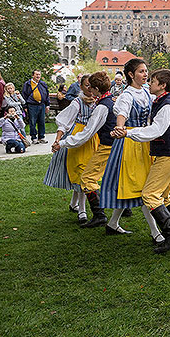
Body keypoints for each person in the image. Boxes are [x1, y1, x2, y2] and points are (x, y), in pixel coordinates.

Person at [113, 69, 170, 253]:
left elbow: (156, 130)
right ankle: (169, 231)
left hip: (169, 153)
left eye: (153, 81)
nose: (149, 83)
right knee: (162, 195)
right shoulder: (162, 100)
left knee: (149, 194)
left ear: (162, 86)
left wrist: (128, 132)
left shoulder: (167, 104)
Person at [101, 58, 161, 238]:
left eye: (146, 71)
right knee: (142, 187)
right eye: (142, 71)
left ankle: (112, 223)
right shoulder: (127, 95)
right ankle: (155, 232)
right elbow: (122, 114)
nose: (145, 74)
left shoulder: (145, 92)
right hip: (129, 143)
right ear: (130, 74)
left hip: (143, 140)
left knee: (132, 186)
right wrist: (120, 128)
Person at [57, 72, 116, 230]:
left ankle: (99, 215)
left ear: (97, 89)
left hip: (107, 146)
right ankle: (112, 212)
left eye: (92, 87)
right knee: (109, 177)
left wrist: (63, 143)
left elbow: (87, 133)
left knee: (88, 179)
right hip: (113, 144)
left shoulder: (102, 106)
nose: (90, 90)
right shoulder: (110, 101)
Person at [44, 74, 97, 224]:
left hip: (92, 139)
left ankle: (74, 204)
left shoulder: (97, 101)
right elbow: (64, 122)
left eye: (92, 86)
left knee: (86, 173)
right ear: (80, 87)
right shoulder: (77, 103)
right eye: (87, 85)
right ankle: (82, 209)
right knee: (81, 173)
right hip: (78, 139)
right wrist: (57, 140)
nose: (90, 89)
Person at [22, 70, 50, 144]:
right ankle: (34, 137)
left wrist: (47, 105)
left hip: (42, 104)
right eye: (36, 74)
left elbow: (47, 94)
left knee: (41, 121)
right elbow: (24, 95)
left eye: (39, 74)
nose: (38, 76)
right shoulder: (28, 84)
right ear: (33, 75)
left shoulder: (43, 84)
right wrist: (25, 106)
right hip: (32, 105)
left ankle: (41, 137)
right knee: (32, 122)